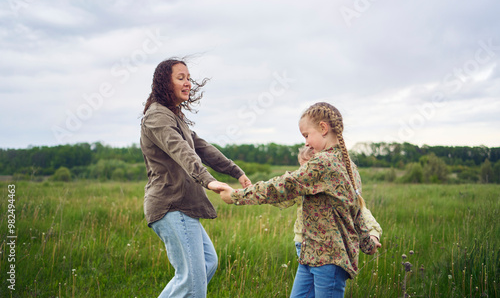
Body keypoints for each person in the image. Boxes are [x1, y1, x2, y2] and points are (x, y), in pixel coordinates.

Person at [220, 102, 381, 298]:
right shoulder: (348, 166)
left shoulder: (324, 163)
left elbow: (284, 185)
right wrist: (368, 243)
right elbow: (354, 212)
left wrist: (236, 196)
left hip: (329, 261)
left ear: (323, 128)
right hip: (309, 256)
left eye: (306, 135)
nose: (305, 143)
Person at [140, 58, 251, 297]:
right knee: (192, 281)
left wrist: (236, 171)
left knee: (207, 264)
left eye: (188, 78)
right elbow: (181, 150)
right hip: (171, 204)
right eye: (181, 78)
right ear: (164, 83)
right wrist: (208, 180)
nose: (188, 83)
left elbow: (202, 148)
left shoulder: (174, 116)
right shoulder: (156, 116)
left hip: (184, 206)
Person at [274, 146, 382, 259]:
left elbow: (363, 214)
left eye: (307, 168)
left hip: (327, 247)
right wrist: (256, 191)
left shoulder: (335, 191)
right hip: (302, 243)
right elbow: (283, 199)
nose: (303, 173)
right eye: (301, 168)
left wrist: (373, 236)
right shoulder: (300, 187)